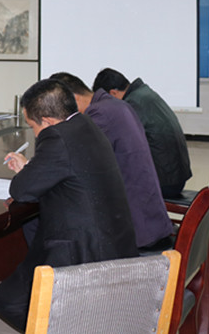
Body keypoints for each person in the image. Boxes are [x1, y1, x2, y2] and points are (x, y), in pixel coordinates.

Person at [0, 79, 138, 332]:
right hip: (114, 243)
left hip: (81, 252)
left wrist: (26, 172)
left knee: (8, 301)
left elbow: (21, 190)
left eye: (33, 126)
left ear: (47, 121)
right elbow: (69, 170)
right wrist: (31, 167)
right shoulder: (86, 125)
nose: (35, 134)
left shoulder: (57, 137)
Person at [50, 72, 174, 250]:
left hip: (137, 229)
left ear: (74, 99)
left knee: (56, 218)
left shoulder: (98, 114)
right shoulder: (114, 105)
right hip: (150, 217)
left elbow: (75, 161)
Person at [92, 68, 192, 198]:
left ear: (113, 93)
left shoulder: (131, 104)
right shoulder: (143, 94)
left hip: (165, 183)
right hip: (174, 176)